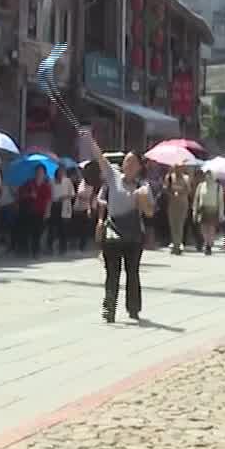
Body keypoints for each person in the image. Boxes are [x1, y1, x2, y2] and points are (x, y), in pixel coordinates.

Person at [83, 136, 154, 323]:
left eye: (132, 162)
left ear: (139, 167)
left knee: (132, 272)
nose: (128, 165)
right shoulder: (113, 176)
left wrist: (142, 200)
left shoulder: (143, 186)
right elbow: (100, 157)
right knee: (112, 273)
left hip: (134, 234)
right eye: (126, 162)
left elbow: (149, 213)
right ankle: (109, 309)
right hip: (113, 231)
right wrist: (89, 139)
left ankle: (133, 309)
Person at [17, 165, 52, 257]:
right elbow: (20, 194)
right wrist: (29, 194)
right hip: (29, 210)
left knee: (38, 232)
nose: (39, 173)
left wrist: (47, 212)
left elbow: (48, 200)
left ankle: (36, 251)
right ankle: (26, 251)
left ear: (44, 174)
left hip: (41, 211)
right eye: (38, 171)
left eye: (41, 172)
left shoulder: (46, 186)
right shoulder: (29, 183)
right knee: (28, 231)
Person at [192, 169, 222, 255]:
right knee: (203, 228)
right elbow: (196, 198)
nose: (208, 176)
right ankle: (206, 243)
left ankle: (209, 245)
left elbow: (220, 201)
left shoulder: (218, 187)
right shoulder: (201, 185)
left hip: (213, 209)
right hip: (202, 209)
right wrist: (194, 210)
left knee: (211, 228)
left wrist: (221, 213)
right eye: (207, 174)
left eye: (210, 174)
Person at [165, 169, 192, 254]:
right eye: (177, 167)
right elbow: (165, 189)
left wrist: (180, 191)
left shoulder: (186, 178)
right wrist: (172, 192)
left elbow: (189, 190)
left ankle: (177, 244)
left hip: (182, 203)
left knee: (180, 224)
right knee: (173, 224)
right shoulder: (170, 177)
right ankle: (174, 242)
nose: (178, 170)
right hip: (172, 203)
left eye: (180, 168)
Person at [47, 165, 73, 254]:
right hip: (53, 206)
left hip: (64, 205)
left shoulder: (68, 181)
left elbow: (72, 194)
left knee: (63, 229)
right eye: (59, 172)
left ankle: (63, 248)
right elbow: (48, 194)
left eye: (63, 172)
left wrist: (64, 197)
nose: (61, 174)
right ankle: (49, 247)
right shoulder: (51, 181)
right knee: (52, 228)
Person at [69, 169, 94, 254]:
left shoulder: (91, 184)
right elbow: (78, 194)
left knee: (84, 228)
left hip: (86, 208)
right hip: (77, 208)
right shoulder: (81, 182)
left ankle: (82, 246)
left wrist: (82, 197)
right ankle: (74, 245)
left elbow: (89, 196)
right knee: (75, 227)